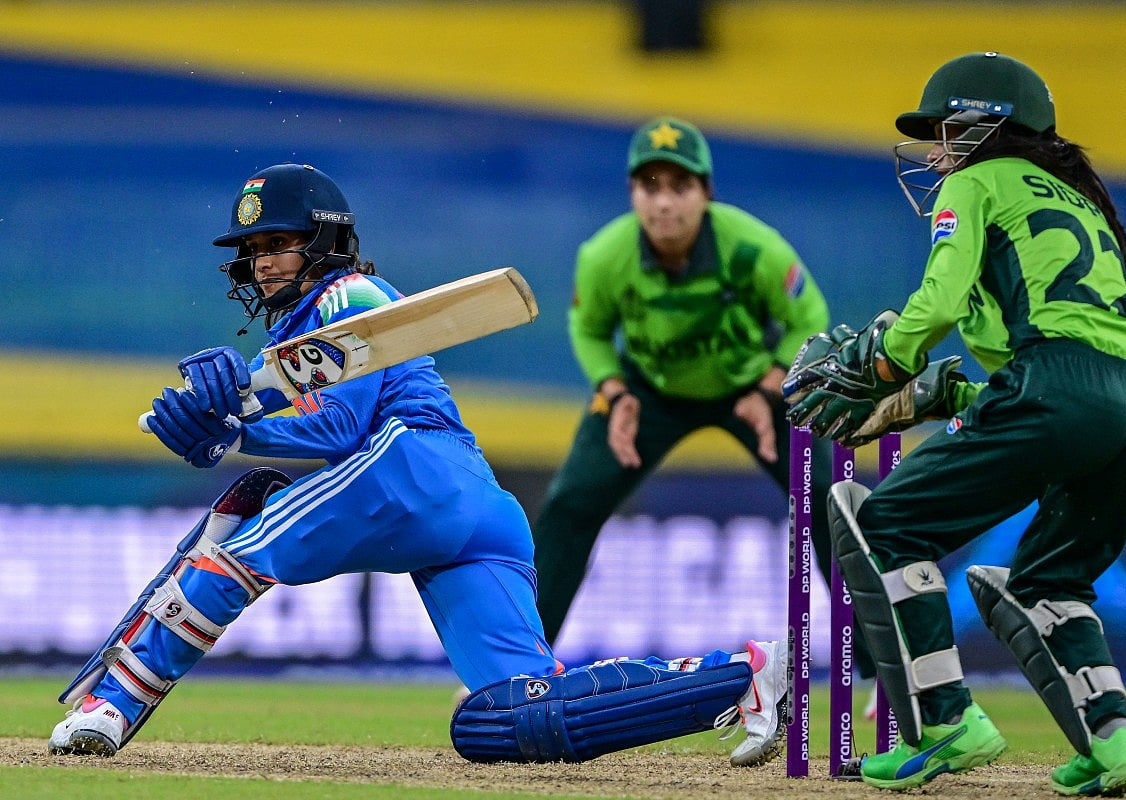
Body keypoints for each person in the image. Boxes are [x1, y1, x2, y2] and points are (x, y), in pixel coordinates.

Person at [47, 162, 789, 768]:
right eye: (255, 248)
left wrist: (229, 434)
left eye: (280, 242)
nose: (263, 260)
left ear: (325, 241)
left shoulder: (351, 295)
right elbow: (279, 406)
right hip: (475, 506)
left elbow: (339, 426)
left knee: (237, 549)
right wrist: (222, 420)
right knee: (517, 714)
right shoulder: (303, 333)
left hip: (409, 465)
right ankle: (743, 674)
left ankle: (113, 704)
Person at [783, 52, 1126, 795]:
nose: (935, 152)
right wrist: (947, 397)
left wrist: (885, 366)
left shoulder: (975, 181)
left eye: (946, 131)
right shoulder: (1078, 198)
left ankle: (948, 721)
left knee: (886, 523)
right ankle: (1118, 742)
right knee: (1054, 578)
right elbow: (1064, 366)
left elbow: (941, 304)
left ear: (989, 126)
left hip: (1058, 392)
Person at [530, 116, 877, 687]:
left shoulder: (753, 247)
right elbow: (589, 329)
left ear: (706, 192)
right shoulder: (604, 256)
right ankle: (519, 670)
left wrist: (770, 385)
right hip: (647, 393)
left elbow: (808, 318)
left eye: (680, 186)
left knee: (828, 501)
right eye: (650, 187)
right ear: (632, 194)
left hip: (756, 388)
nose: (664, 203)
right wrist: (615, 392)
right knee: (570, 504)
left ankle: (882, 673)